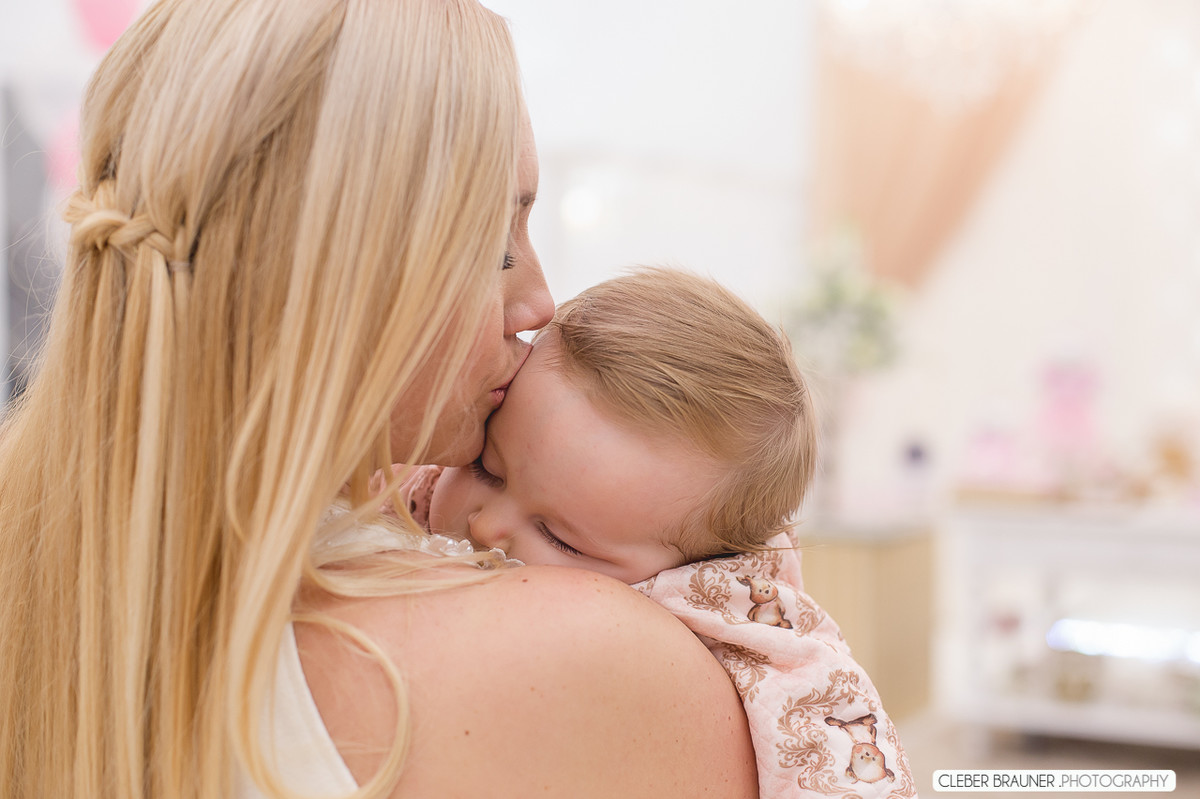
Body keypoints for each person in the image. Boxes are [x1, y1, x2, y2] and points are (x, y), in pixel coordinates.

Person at [0, 2, 759, 798]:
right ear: (336, 280)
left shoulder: (42, 565)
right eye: (497, 247)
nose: (539, 301)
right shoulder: (591, 656)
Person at [393, 267, 918, 798]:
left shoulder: (723, 614)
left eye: (560, 539)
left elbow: (831, 741)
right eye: (486, 467)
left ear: (694, 565)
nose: (486, 525)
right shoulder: (416, 479)